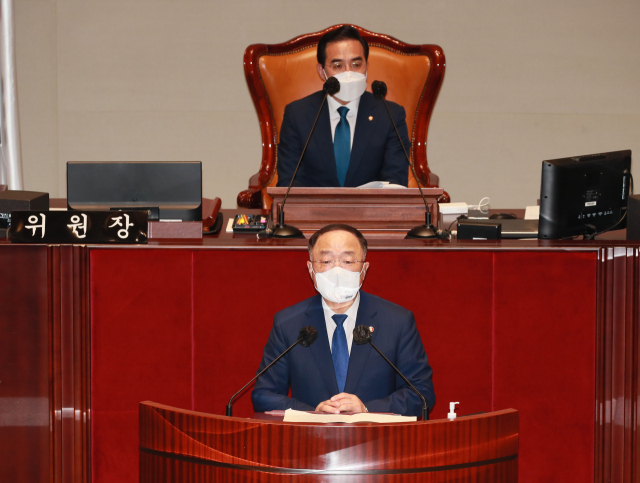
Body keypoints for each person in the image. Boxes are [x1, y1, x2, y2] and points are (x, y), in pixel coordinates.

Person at [251, 224, 434, 416]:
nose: (337, 270)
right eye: (326, 261)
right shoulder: (288, 324)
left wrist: (367, 409)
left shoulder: (397, 322)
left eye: (347, 261)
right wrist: (313, 413)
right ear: (311, 268)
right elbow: (263, 395)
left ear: (364, 269)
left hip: (379, 440)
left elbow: (422, 393)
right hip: (310, 441)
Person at [275, 26, 411, 188]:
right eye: (338, 66)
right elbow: (290, 183)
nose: (348, 73)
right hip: (313, 212)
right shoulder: (298, 114)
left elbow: (395, 181)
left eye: (356, 64)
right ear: (321, 71)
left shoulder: (390, 115)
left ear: (366, 67)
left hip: (372, 212)